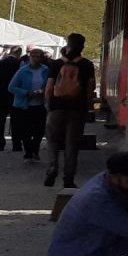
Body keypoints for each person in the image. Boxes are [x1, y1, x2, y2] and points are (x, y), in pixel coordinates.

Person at [44, 33, 95, 188]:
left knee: (52, 140)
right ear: (83, 46)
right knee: (72, 145)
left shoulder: (56, 63)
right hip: (77, 109)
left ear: (67, 44)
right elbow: (90, 88)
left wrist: (48, 105)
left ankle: (53, 166)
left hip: (56, 107)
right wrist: (86, 105)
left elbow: (49, 88)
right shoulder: (87, 64)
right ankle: (68, 179)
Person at [9, 46, 50, 162]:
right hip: (25, 105)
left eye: (39, 56)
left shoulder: (45, 70)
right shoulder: (23, 71)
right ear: (30, 57)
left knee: (39, 130)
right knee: (25, 131)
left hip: (41, 104)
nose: (36, 59)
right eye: (34, 56)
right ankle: (28, 152)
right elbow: (11, 87)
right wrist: (26, 93)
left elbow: (50, 85)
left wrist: (44, 91)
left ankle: (35, 149)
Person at [0, 45, 22, 150]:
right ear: (19, 53)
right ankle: (16, 144)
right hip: (14, 93)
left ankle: (0, 143)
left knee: (0, 119)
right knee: (16, 119)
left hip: (2, 92)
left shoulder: (0, 62)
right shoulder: (19, 64)